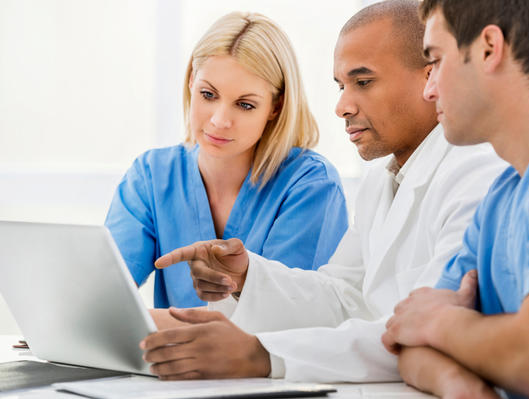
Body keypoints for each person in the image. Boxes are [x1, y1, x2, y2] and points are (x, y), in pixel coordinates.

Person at [138, 0, 506, 386]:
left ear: (430, 78)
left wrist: (260, 355)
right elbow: (343, 298)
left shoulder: (476, 176)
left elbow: (426, 332)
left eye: (363, 82)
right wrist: (247, 276)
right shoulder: (383, 180)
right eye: (341, 86)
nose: (342, 106)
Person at [382, 1, 529, 398]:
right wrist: (460, 384)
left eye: (436, 60)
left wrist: (440, 325)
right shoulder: (502, 197)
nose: (429, 90)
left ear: (488, 48)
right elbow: (409, 346)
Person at [104, 12, 349, 320]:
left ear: (276, 106)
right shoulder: (153, 175)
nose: (219, 121)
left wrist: (112, 323)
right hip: (168, 364)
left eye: (245, 105)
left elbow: (282, 321)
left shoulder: (311, 185)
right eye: (208, 94)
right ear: (191, 82)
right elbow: (104, 291)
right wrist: (74, 318)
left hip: (268, 369)